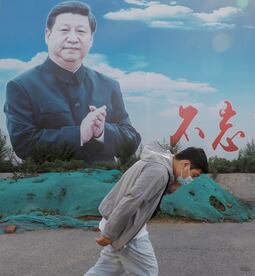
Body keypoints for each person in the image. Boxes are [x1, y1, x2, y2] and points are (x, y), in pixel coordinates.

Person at [3, 1, 140, 163]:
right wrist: (80, 134)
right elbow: (24, 145)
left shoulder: (109, 85)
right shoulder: (21, 86)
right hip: (48, 185)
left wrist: (102, 132)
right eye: (64, 30)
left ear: (91, 39)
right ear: (48, 35)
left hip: (106, 185)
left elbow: (132, 139)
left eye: (81, 31)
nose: (73, 39)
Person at [85, 141, 209, 276]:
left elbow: (148, 192)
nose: (192, 179)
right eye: (194, 175)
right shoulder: (159, 171)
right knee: (148, 272)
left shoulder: (161, 165)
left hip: (121, 222)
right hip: (125, 228)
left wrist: (174, 184)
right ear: (186, 164)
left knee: (107, 269)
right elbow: (132, 200)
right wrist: (110, 233)